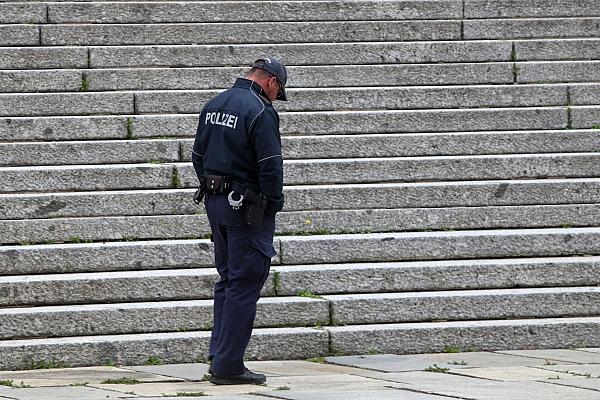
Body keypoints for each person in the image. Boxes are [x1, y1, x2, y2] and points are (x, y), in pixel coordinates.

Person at [191, 58, 287, 385]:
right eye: (278, 92)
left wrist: (211, 185)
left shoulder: (215, 103)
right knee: (246, 281)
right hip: (247, 209)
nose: (275, 97)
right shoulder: (259, 109)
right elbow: (271, 164)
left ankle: (220, 355)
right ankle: (229, 365)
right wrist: (271, 206)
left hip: (216, 202)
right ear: (271, 82)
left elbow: (198, 156)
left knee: (229, 278)